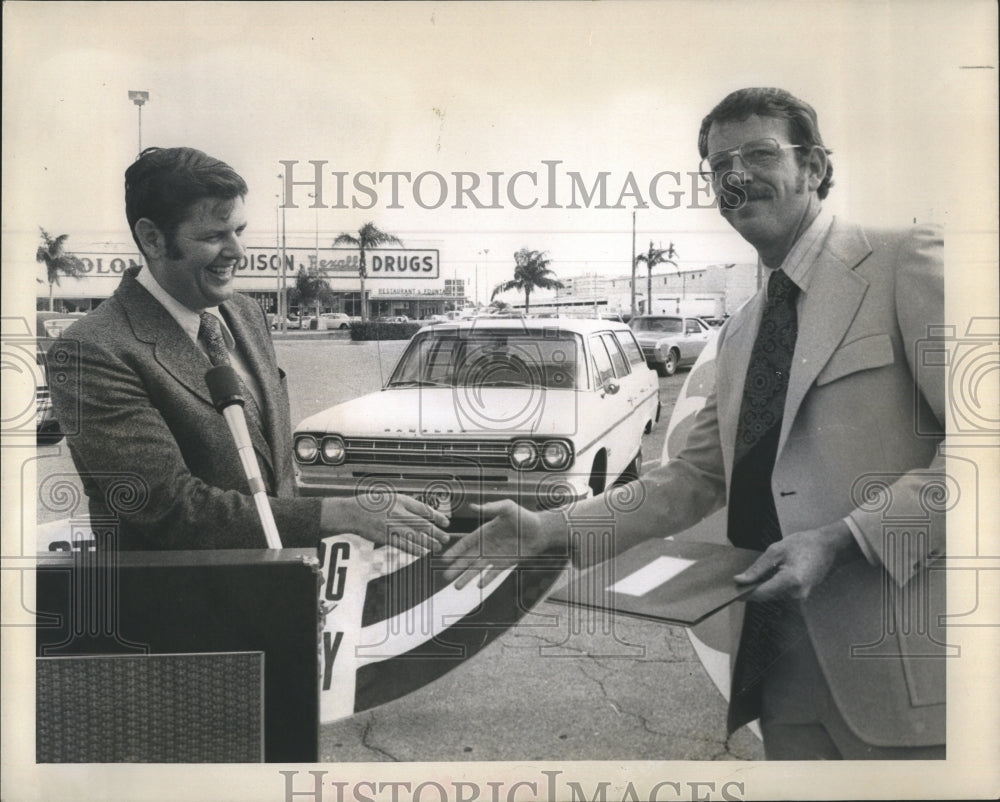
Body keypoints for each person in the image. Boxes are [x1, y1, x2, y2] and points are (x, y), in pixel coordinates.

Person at [443, 87, 946, 759]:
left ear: (817, 168)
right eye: (717, 164)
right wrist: (546, 530)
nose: (735, 175)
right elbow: (691, 479)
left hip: (906, 672)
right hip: (780, 668)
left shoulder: (902, 261)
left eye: (760, 153)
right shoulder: (741, 332)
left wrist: (843, 539)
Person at [49, 146, 448, 554]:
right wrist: (340, 514)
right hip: (173, 609)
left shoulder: (246, 314)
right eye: (214, 236)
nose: (238, 251)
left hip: (276, 593)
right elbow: (167, 508)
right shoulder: (92, 350)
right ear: (152, 238)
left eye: (239, 230)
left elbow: (273, 471)